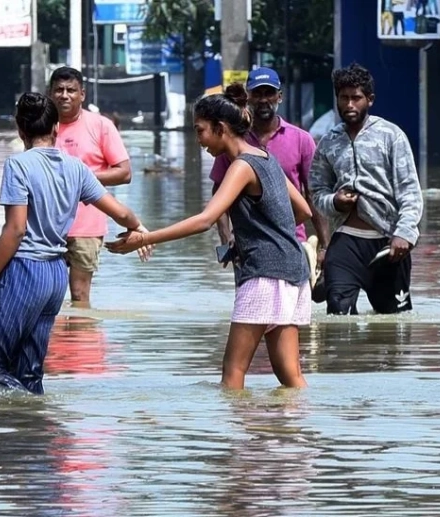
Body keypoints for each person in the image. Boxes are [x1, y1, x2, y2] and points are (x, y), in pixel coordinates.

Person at [107, 83, 312, 390]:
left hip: (264, 275)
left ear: (221, 128)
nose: (198, 139)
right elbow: (303, 210)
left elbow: (205, 220)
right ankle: (305, 422)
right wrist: (266, 232)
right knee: (291, 377)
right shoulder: (267, 158)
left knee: (232, 374)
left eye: (200, 130)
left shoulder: (241, 166)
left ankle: (234, 425)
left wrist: (145, 239)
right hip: (294, 272)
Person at [0, 92, 149, 395]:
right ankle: (36, 421)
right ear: (56, 128)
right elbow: (120, 213)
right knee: (29, 372)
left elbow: (15, 231)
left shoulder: (18, 165)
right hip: (54, 276)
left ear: (20, 129)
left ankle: (22, 415)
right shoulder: (76, 167)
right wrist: (140, 229)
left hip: (24, 271)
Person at [309, 63, 423, 315]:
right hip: (345, 242)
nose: (350, 104)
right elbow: (316, 191)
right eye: (344, 98)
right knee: (338, 313)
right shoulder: (328, 142)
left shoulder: (391, 136)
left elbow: (410, 192)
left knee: (395, 322)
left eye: (356, 98)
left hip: (388, 245)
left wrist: (404, 233)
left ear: (369, 100)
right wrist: (335, 202)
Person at [211, 67, 329, 285]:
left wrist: (324, 246)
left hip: (292, 241)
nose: (263, 100)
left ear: (279, 97)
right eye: (257, 93)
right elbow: (218, 194)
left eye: (269, 93)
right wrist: (226, 239)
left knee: (290, 303)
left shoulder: (301, 140)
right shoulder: (234, 141)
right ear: (248, 97)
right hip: (248, 246)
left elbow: (313, 195)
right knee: (250, 303)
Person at [48, 66, 136, 307]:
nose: (64, 95)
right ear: (50, 93)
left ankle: (81, 332)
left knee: (79, 295)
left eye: (71, 90)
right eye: (58, 90)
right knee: (46, 296)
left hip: (86, 225)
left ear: (82, 94)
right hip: (46, 226)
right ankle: (54, 334)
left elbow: (124, 172)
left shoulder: (101, 125)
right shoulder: (42, 126)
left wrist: (82, 178)